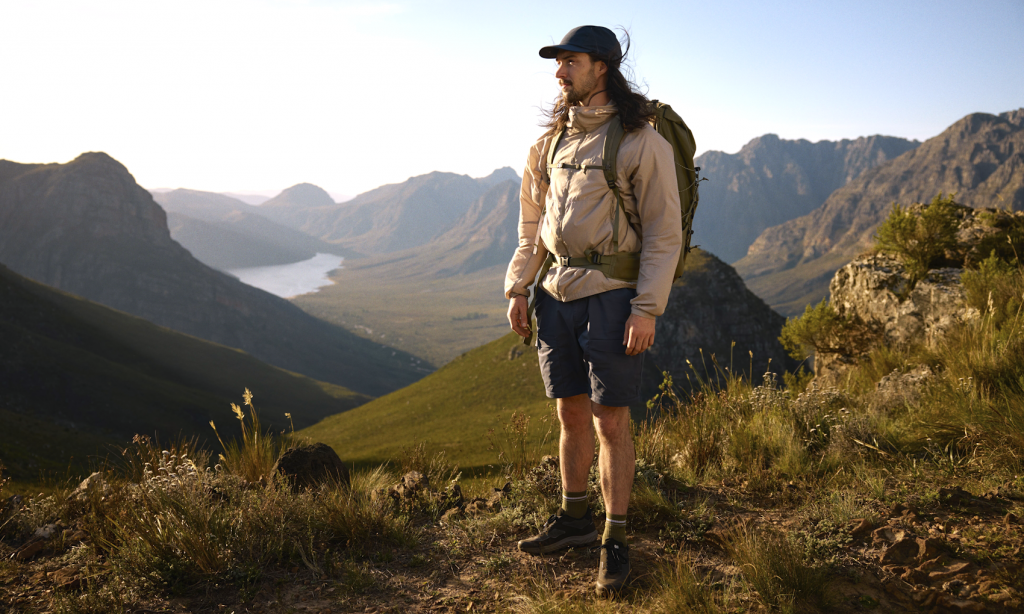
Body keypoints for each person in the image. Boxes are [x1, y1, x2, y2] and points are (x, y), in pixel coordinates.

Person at [504, 25, 683, 596]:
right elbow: (533, 225)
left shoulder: (640, 142)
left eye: (570, 62)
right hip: (554, 293)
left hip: (612, 297)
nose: (559, 72)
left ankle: (616, 538)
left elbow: (662, 233)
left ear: (601, 67)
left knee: (611, 421)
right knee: (571, 415)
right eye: (558, 63)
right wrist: (517, 286)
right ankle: (575, 519)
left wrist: (647, 308)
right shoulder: (549, 143)